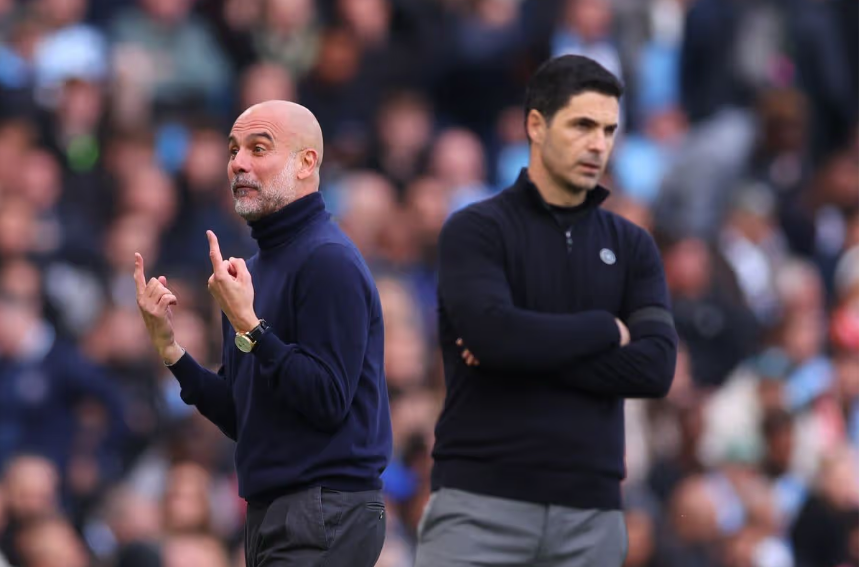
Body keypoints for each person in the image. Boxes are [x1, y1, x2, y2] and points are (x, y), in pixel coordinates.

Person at [414, 55, 679, 567]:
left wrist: (519, 348)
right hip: (478, 505)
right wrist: (605, 329)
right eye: (583, 125)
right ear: (536, 125)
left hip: (591, 515)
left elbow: (655, 368)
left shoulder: (633, 246)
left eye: (609, 130)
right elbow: (493, 337)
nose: (598, 144)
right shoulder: (476, 230)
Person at [133, 100, 391, 567]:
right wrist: (171, 349)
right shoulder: (252, 272)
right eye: (233, 150)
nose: (238, 163)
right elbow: (243, 416)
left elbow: (327, 399)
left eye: (258, 148)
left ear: (306, 162)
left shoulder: (327, 259)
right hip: (276, 510)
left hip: (324, 508)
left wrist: (250, 326)